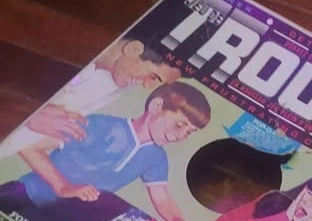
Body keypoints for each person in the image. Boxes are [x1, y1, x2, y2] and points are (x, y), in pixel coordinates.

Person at [0, 82, 211, 221]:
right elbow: (30, 147)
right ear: (156, 106)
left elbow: (161, 197)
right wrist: (62, 186)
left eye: (189, 132)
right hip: (25, 195)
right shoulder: (100, 125)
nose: (181, 136)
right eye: (180, 125)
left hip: (66, 217)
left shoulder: (157, 158)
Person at [0, 39, 180, 159]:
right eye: (154, 76)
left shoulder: (117, 83)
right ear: (134, 49)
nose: (147, 86)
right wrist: (28, 115)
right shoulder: (54, 44)